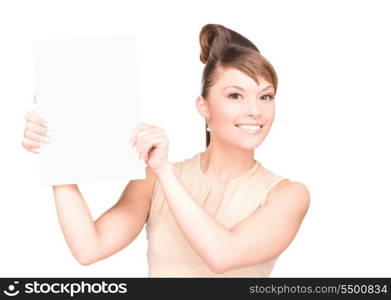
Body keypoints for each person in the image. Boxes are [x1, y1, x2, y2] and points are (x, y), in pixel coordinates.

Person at [22, 24, 310, 277]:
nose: (254, 110)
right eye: (235, 95)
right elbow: (89, 248)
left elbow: (223, 257)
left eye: (266, 96)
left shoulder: (288, 195)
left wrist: (163, 170)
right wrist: (56, 153)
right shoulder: (154, 180)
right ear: (204, 107)